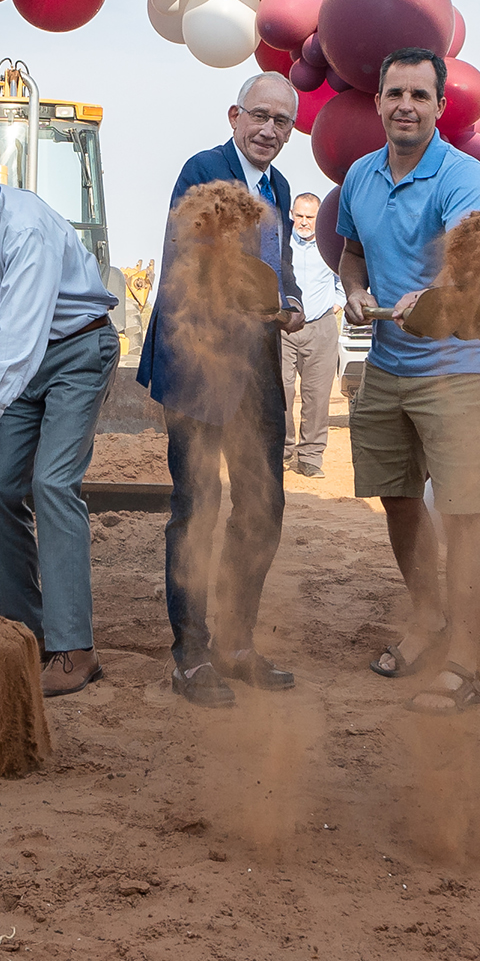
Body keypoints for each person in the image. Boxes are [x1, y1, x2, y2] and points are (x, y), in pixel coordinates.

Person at [334, 48, 480, 716]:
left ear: (440, 106)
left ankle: (464, 665)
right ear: (377, 102)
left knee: (463, 514)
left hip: (455, 370)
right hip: (386, 366)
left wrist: (431, 295)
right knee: (399, 499)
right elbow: (351, 253)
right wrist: (354, 290)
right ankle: (427, 618)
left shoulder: (464, 178)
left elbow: (466, 262)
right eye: (395, 93)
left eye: (420, 95)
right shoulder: (359, 176)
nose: (406, 105)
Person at [0, 113, 122, 697]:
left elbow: (19, 332)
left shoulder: (25, 226)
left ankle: (75, 649)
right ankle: (26, 631)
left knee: (52, 484)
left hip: (77, 350)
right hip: (26, 361)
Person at [138, 73, 305, 707]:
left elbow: (279, 263)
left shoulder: (278, 187)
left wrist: (288, 300)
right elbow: (191, 259)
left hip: (257, 371)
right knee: (197, 509)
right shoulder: (202, 171)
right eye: (259, 115)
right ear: (235, 116)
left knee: (263, 508)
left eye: (281, 121)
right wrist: (250, 294)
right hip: (199, 366)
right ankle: (190, 655)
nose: (269, 129)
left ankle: (235, 645)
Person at [282, 192, 343, 477]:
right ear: (291, 215)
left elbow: (344, 276)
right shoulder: (281, 243)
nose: (304, 222)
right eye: (299, 216)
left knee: (317, 396)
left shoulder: (331, 244)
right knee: (280, 391)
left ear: (319, 218)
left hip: (321, 327)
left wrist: (337, 303)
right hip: (283, 327)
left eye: (310, 217)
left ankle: (310, 457)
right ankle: (281, 450)